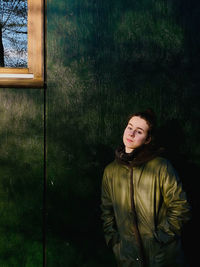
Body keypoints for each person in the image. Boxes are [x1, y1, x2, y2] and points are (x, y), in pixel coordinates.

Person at [101, 109, 191, 267]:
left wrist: (160, 239)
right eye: (129, 127)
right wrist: (114, 241)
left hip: (162, 257)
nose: (131, 133)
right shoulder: (110, 171)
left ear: (148, 139)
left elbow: (181, 207)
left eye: (139, 131)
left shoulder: (161, 166)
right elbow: (106, 211)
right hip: (127, 257)